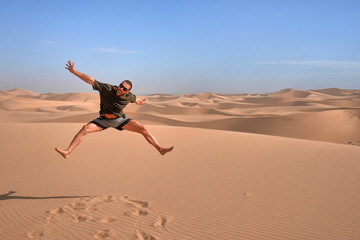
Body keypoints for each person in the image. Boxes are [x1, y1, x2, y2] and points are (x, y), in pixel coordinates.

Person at [55, 60, 174, 159]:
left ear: (127, 91)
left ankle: (160, 149)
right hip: (103, 120)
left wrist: (142, 102)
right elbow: (90, 80)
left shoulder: (129, 97)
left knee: (143, 128)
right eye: (120, 85)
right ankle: (68, 152)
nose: (120, 89)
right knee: (85, 129)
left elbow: (136, 100)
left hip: (120, 120)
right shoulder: (107, 88)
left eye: (124, 88)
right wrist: (73, 71)